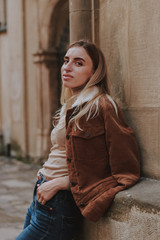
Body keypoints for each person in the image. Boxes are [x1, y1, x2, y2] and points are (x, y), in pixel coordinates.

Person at [15, 40, 140, 240]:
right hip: (41, 196)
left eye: (79, 63)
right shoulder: (71, 106)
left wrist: (62, 183)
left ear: (94, 72)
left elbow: (125, 170)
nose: (67, 67)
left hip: (59, 205)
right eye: (66, 61)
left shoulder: (102, 106)